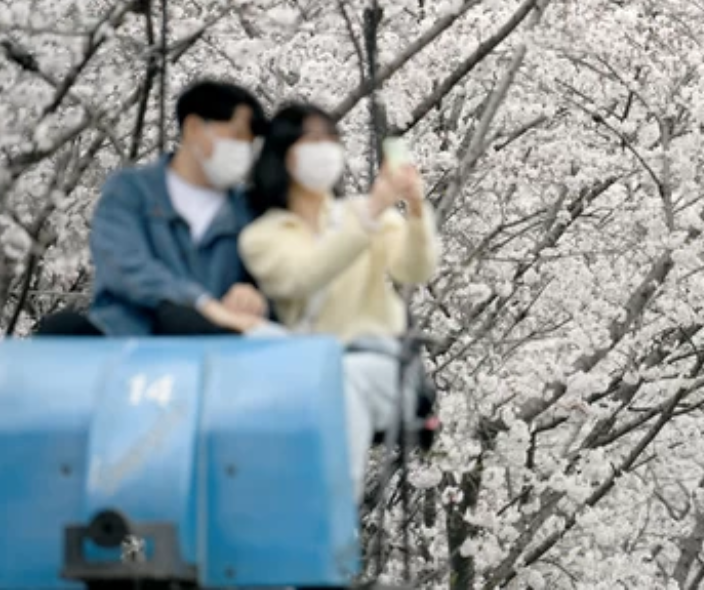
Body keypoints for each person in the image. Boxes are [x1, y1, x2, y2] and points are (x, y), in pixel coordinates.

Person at [238, 102, 440, 502]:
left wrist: (416, 209)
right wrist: (369, 213)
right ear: (284, 153)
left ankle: (331, 512)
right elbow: (302, 277)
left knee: (344, 381)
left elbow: (415, 269)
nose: (327, 149)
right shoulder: (263, 235)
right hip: (303, 374)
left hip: (379, 366)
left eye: (333, 139)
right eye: (314, 140)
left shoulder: (364, 214)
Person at [35, 79, 276, 338]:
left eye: (250, 143)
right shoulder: (131, 191)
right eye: (236, 136)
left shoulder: (246, 207)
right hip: (127, 337)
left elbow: (275, 274)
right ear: (194, 127)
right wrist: (200, 303)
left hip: (213, 343)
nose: (243, 151)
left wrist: (254, 296)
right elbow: (125, 265)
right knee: (62, 330)